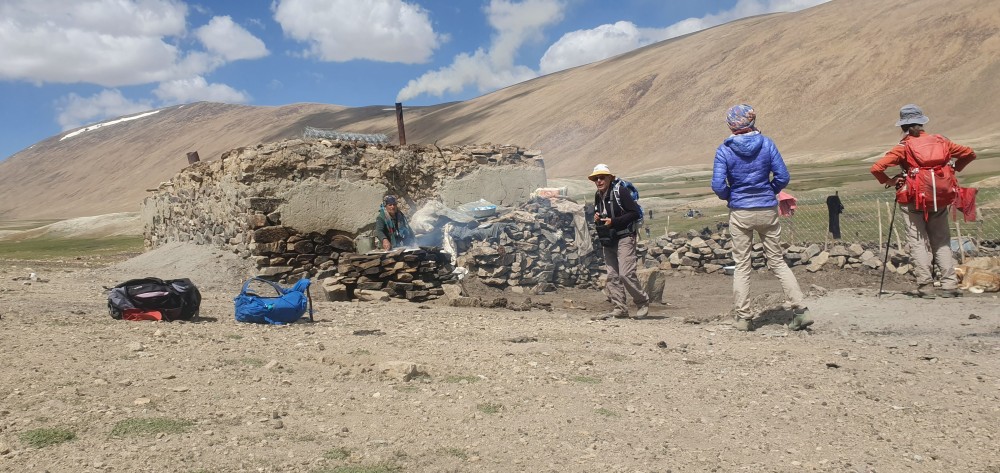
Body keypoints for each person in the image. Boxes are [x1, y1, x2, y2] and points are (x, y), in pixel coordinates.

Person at [711, 104, 812, 331]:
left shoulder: (724, 150)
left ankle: (744, 318)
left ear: (731, 125)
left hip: (740, 212)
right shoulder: (767, 144)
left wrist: (731, 196)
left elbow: (718, 184)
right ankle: (800, 310)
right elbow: (782, 176)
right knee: (777, 261)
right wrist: (769, 191)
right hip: (767, 209)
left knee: (742, 265)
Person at [870, 104, 976, 298]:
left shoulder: (904, 147)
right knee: (942, 241)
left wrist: (890, 181)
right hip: (940, 199)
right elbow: (970, 153)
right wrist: (953, 169)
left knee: (918, 242)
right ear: (922, 122)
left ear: (903, 125)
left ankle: (926, 285)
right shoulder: (942, 141)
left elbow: (877, 168)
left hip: (913, 200)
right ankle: (949, 285)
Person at [588, 163, 650, 320]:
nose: (599, 181)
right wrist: (598, 218)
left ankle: (642, 302)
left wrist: (613, 222)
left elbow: (634, 213)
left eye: (602, 177)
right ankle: (620, 308)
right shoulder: (598, 195)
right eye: (596, 178)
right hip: (608, 238)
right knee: (612, 275)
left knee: (626, 273)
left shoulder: (620, 192)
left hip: (625, 237)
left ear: (610, 178)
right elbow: (602, 214)